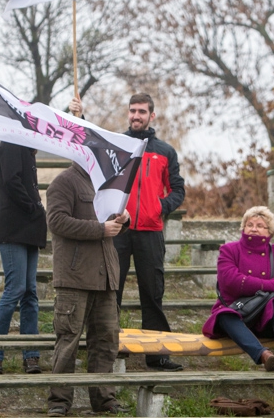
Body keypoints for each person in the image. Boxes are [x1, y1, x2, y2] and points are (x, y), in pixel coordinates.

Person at [69, 93, 186, 372]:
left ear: (152, 116)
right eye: (132, 111)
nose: (136, 115)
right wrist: (79, 117)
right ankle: (108, 352)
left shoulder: (165, 152)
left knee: (153, 293)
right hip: (118, 229)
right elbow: (90, 146)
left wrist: (160, 207)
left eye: (142, 111)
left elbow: (178, 189)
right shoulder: (118, 145)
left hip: (151, 231)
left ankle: (158, 355)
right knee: (112, 293)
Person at [45, 161, 131, 417]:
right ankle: (59, 401)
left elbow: (112, 223)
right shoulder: (63, 182)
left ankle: (104, 400)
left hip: (105, 278)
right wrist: (100, 229)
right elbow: (56, 222)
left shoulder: (107, 185)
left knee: (106, 342)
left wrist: (122, 220)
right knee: (68, 341)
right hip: (74, 277)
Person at [202, 206, 274, 372]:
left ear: (269, 231)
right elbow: (230, 281)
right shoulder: (229, 250)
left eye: (260, 225)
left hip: (266, 318)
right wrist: (269, 285)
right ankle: (264, 355)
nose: (254, 229)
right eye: (250, 224)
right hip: (237, 311)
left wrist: (249, 283)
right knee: (223, 316)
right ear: (243, 227)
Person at [0, 142, 47, 375]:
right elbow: (11, 181)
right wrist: (34, 207)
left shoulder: (27, 146)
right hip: (13, 227)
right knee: (15, 289)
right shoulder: (11, 143)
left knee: (30, 291)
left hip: (30, 228)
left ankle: (31, 355)